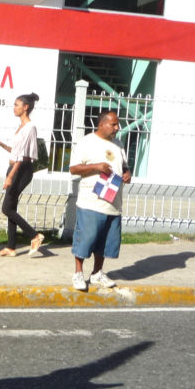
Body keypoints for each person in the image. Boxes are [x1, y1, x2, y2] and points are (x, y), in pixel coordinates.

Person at [68, 110, 131, 291]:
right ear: (101, 124)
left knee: (105, 242)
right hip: (91, 201)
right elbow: (73, 169)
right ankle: (78, 273)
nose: (117, 128)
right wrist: (96, 167)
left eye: (117, 124)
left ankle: (97, 273)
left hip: (113, 202)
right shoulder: (87, 142)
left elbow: (124, 165)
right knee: (86, 238)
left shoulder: (118, 144)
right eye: (113, 124)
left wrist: (127, 173)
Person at [0, 92, 43, 257]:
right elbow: (17, 152)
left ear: (25, 107)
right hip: (15, 168)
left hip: (21, 170)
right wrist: (2, 145)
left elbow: (22, 157)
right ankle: (11, 247)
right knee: (11, 207)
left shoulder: (30, 127)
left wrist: (10, 176)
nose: (14, 108)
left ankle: (35, 236)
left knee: (6, 208)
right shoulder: (22, 127)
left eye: (16, 105)